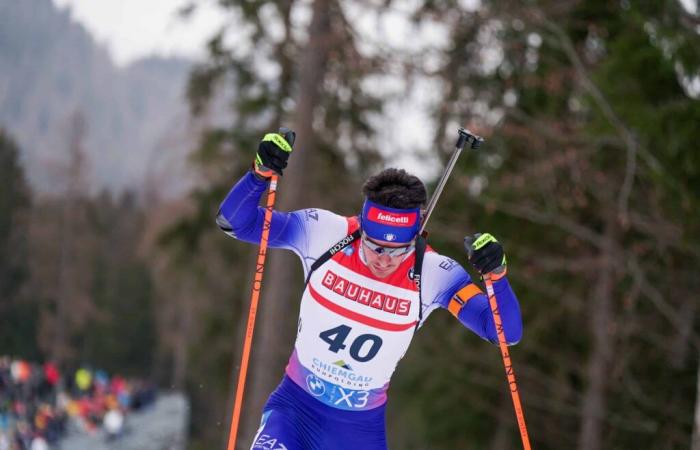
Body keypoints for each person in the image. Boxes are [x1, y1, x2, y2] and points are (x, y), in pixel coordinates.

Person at [217, 131, 523, 450]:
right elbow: (235, 223)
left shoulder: (435, 274)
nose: (383, 260)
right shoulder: (324, 233)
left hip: (358, 433)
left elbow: (503, 333)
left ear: (417, 235)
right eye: (373, 246)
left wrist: (497, 275)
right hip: (295, 413)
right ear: (362, 225)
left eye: (397, 250)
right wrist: (259, 174)